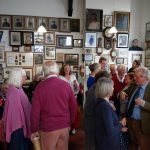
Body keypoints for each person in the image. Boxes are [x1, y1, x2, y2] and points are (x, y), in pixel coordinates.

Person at [31, 61, 77, 150]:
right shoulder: (66, 85)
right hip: (64, 126)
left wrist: (34, 129)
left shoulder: (40, 87)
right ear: (57, 71)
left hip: (48, 128)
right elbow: (73, 107)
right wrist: (69, 122)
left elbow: (35, 112)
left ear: (45, 72)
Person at [120, 67, 150, 150]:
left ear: (145, 78)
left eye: (137, 77)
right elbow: (124, 92)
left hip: (143, 123)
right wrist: (122, 93)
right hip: (130, 119)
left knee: (144, 145)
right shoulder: (134, 84)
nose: (134, 78)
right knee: (134, 143)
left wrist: (143, 103)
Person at [95, 78, 128, 150]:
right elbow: (111, 131)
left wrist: (118, 126)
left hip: (104, 141)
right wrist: (121, 124)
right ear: (107, 89)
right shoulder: (105, 106)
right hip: (108, 144)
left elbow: (105, 123)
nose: (113, 88)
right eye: (112, 87)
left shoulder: (101, 103)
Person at [3, 68, 31, 150]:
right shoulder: (14, 91)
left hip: (22, 126)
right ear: (17, 77)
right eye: (24, 76)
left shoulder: (18, 88)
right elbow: (15, 115)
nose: (26, 78)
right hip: (18, 128)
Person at [83, 70, 112, 150]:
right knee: (91, 144)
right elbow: (98, 106)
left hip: (90, 119)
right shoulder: (96, 90)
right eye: (108, 80)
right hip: (91, 121)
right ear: (102, 80)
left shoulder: (95, 87)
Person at [59, 64, 79, 134]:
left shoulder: (73, 76)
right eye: (65, 68)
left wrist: (76, 86)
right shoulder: (60, 78)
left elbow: (77, 89)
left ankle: (73, 127)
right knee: (65, 113)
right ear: (63, 69)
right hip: (64, 99)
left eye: (68, 68)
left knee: (74, 112)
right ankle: (66, 127)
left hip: (74, 97)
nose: (67, 69)